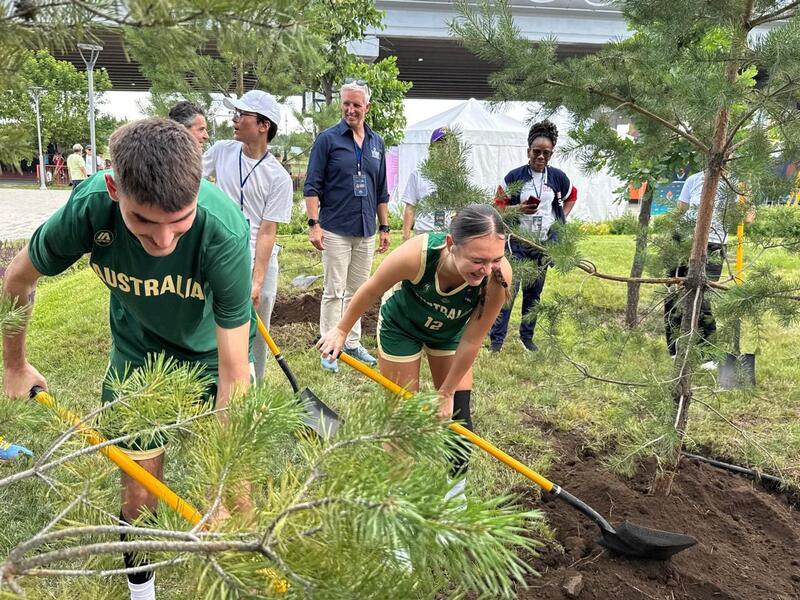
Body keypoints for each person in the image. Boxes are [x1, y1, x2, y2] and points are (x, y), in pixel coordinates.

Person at [2, 118, 254, 600]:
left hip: (209, 357)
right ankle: (143, 592)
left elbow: (234, 370)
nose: (163, 242)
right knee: (138, 491)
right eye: (144, 222)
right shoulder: (90, 209)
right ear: (116, 190)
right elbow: (17, 279)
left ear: (199, 189)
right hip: (138, 354)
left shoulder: (224, 233)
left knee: (235, 498)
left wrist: (230, 484)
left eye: (179, 222)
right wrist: (15, 365)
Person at [317, 204, 512, 496]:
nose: (486, 270)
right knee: (403, 419)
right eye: (478, 260)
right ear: (451, 245)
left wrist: (445, 393)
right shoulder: (417, 255)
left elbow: (472, 340)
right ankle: (398, 505)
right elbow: (371, 288)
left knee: (459, 419)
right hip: (402, 327)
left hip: (449, 334)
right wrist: (341, 330)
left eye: (496, 258)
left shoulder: (498, 278)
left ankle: (453, 502)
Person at [203, 90, 292, 381]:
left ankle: (254, 386)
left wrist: (256, 281)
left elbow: (267, 232)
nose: (234, 119)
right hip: (220, 255)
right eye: (235, 113)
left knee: (256, 331)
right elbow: (188, 177)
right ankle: (214, 381)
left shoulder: (278, 177)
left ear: (263, 125)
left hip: (259, 259)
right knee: (214, 324)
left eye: (242, 115)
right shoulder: (221, 151)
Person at [304, 79, 391, 373]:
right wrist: (314, 224)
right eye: (346, 104)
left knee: (358, 291)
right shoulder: (328, 140)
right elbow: (312, 185)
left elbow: (381, 190)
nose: (351, 110)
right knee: (334, 290)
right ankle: (330, 349)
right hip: (335, 228)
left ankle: (352, 343)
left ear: (367, 107)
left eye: (356, 105)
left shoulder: (377, 143)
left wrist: (384, 227)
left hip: (365, 229)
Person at [488, 120, 577, 353]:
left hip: (542, 245)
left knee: (533, 294)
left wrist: (560, 220)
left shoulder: (558, 178)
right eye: (536, 151)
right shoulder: (514, 177)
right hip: (517, 243)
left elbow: (572, 196)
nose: (540, 156)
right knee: (507, 290)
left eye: (546, 153)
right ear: (528, 151)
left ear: (551, 154)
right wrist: (518, 210)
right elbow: (496, 208)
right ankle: (496, 342)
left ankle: (526, 337)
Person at [663, 170, 754, 367]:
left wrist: (745, 198)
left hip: (713, 244)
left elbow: (747, 218)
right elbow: (681, 210)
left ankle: (708, 353)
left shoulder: (737, 183)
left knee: (703, 297)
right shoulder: (693, 179)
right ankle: (675, 347)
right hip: (683, 240)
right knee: (672, 292)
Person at [401, 127, 454, 241]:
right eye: (439, 145)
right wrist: (406, 237)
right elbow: (410, 208)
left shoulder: (456, 175)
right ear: (431, 148)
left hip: (447, 235)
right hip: (423, 234)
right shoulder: (418, 174)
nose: (443, 149)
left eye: (447, 145)